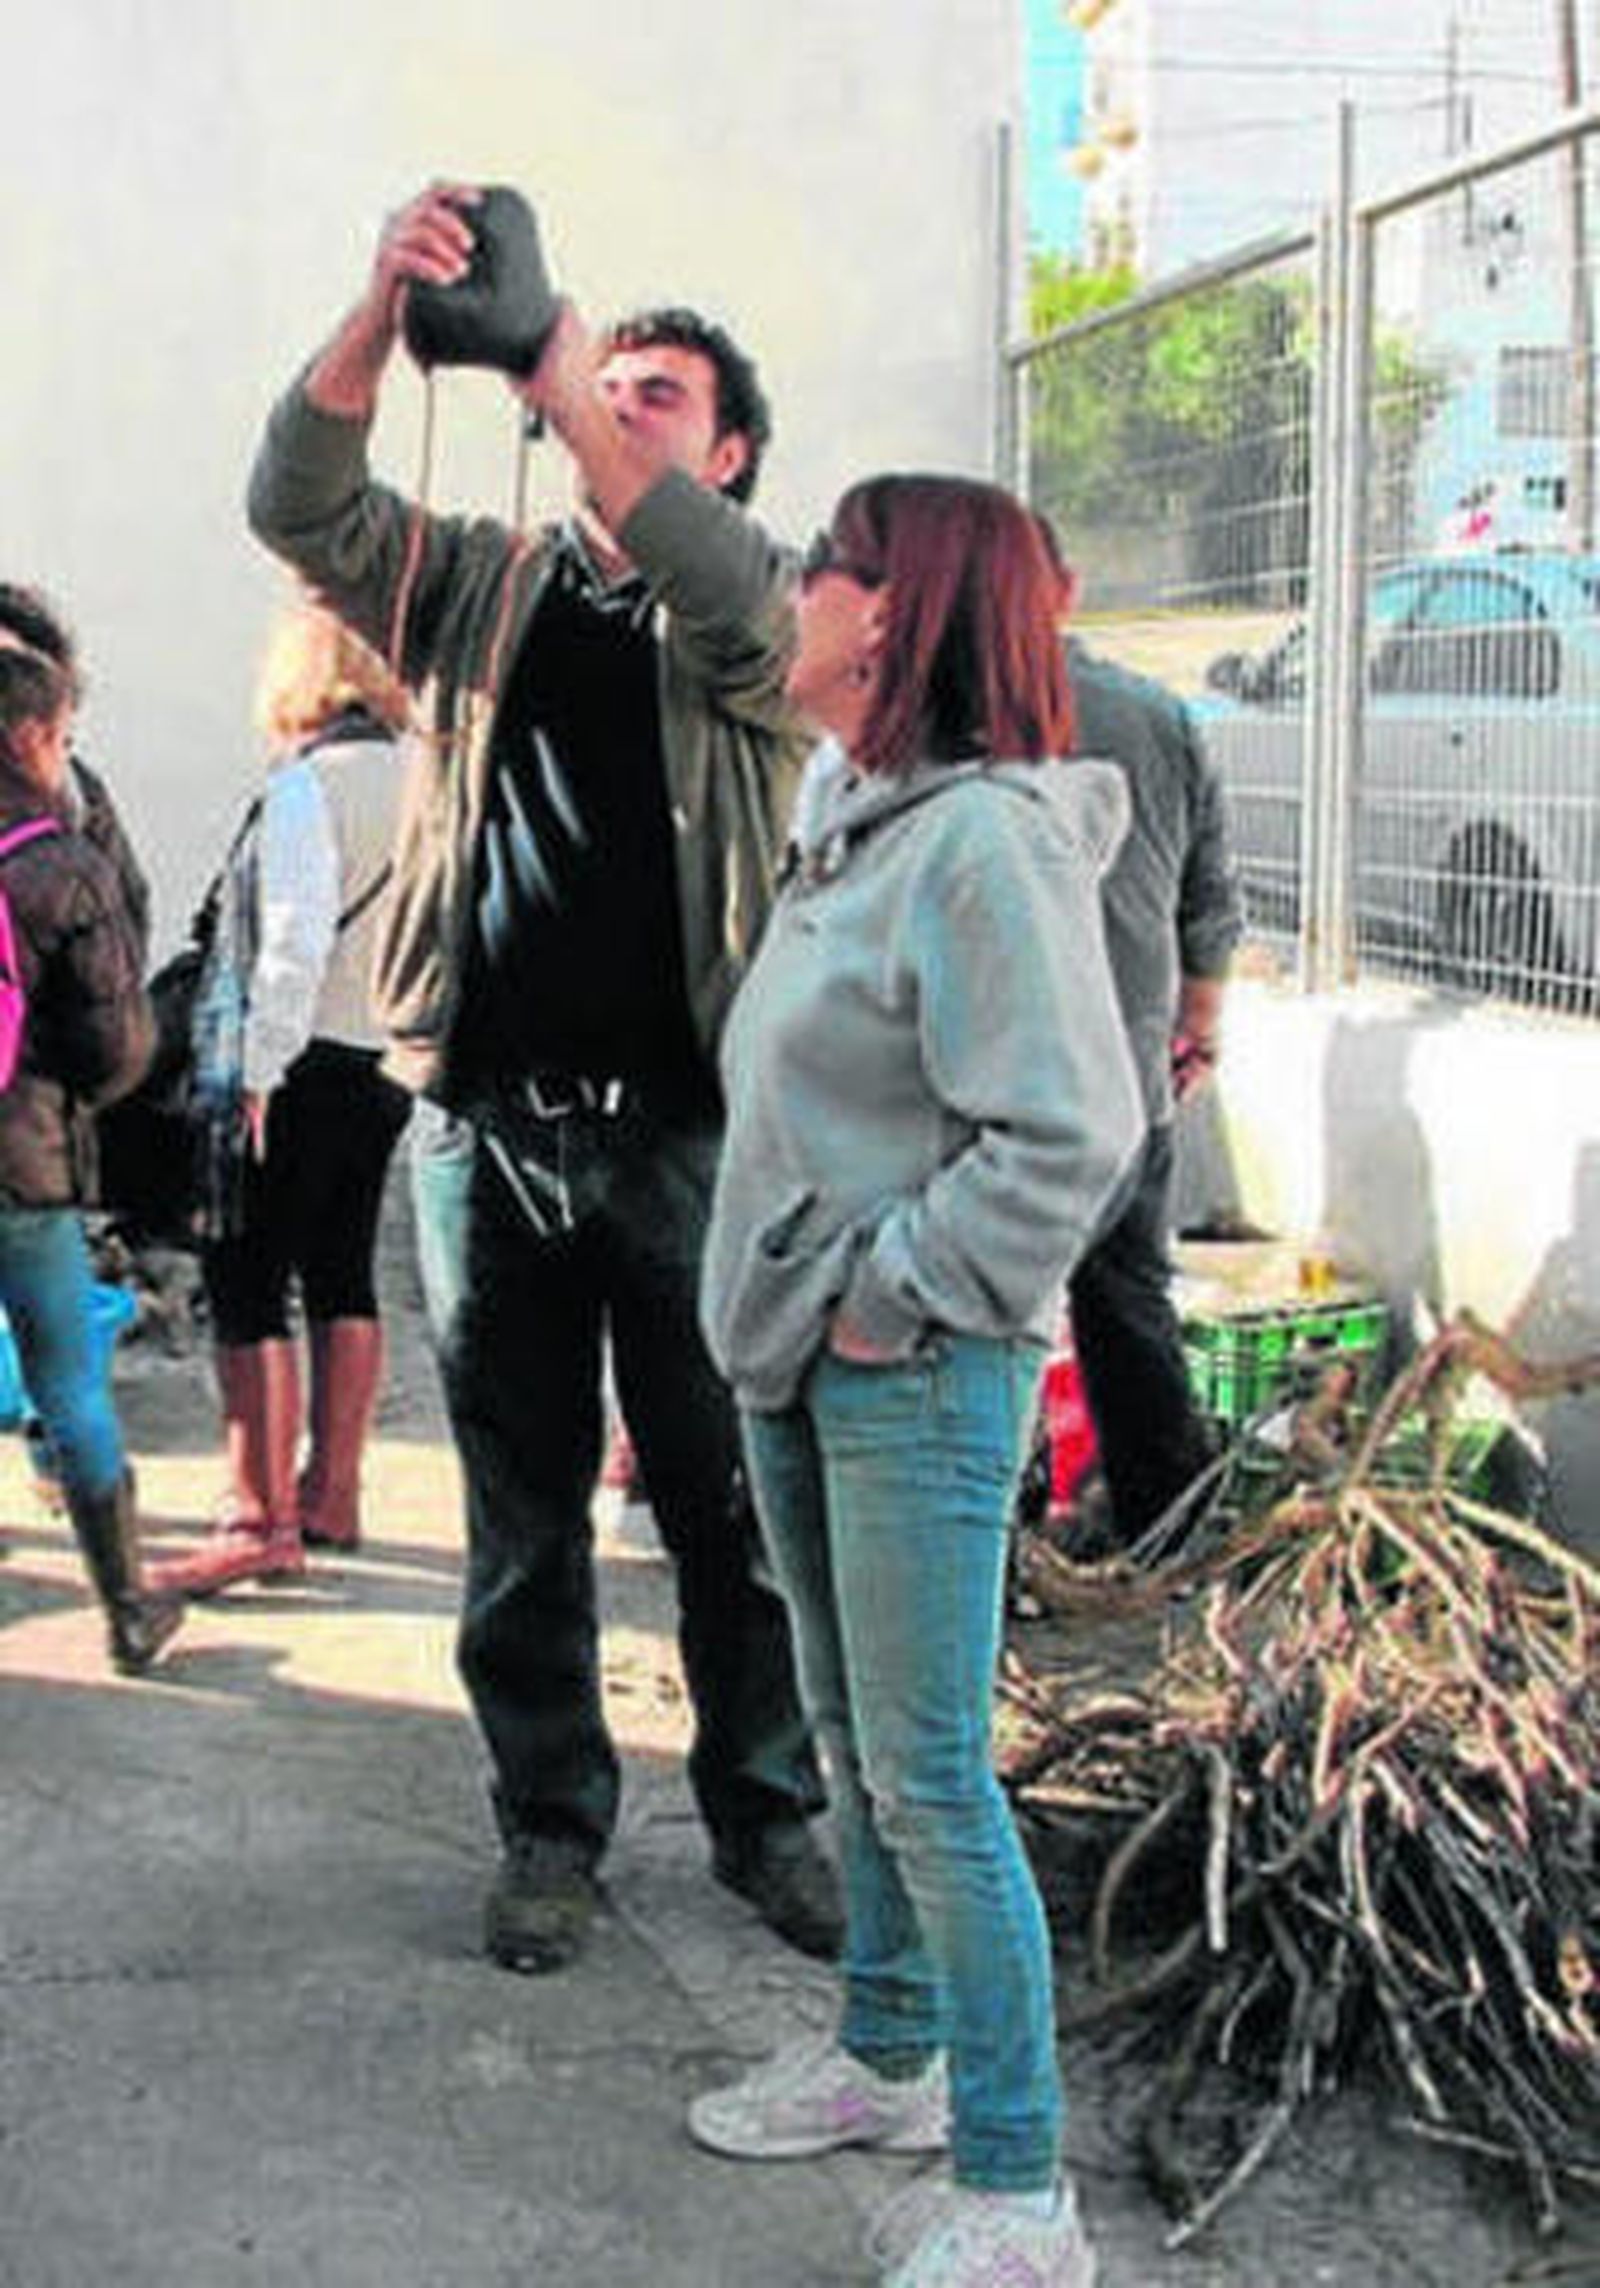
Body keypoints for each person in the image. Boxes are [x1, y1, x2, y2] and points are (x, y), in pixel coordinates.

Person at [245, 182, 836, 1973]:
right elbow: (297, 507)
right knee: (519, 1517)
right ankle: (552, 1830)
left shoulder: (761, 606)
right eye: (607, 382)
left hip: (691, 1139)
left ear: (727, 454)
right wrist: (383, 305)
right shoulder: (483, 588)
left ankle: (768, 1817)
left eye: (662, 398)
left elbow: (730, 600)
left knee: (728, 1504)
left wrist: (564, 374)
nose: (619, 406)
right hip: (489, 1127)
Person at [689, 476, 1142, 2288]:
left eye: (824, 565)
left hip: (914, 1370)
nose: (794, 589)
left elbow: (1073, 1131)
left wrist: (891, 1295)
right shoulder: (853, 814)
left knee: (934, 1776)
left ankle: (1024, 2192)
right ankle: (888, 2056)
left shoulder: (984, 846)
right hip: (803, 1349)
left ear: (890, 613)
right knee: (855, 1743)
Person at [151, 606, 414, 1596]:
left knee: (247, 1274)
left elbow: (293, 941)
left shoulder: (310, 783)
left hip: (293, 1062)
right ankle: (333, 1492)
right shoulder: (423, 777)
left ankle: (258, 1518)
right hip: (380, 1059)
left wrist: (258, 1071)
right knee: (344, 1269)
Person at [1039, 526, 1243, 1550]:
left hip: (1009, 1083)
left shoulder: (952, 713)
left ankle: (997, 1547)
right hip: (1130, 1067)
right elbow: (1211, 896)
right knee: (1127, 1299)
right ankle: (1166, 1528)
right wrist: (1195, 1024)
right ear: (1067, 591)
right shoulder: (1157, 714)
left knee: (992, 1320)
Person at [0, 638, 173, 1675]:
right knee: (68, 1383)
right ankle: (129, 1614)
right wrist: (67, 1100)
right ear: (31, 737)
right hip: (26, 1167)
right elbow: (120, 1048)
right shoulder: (62, 863)